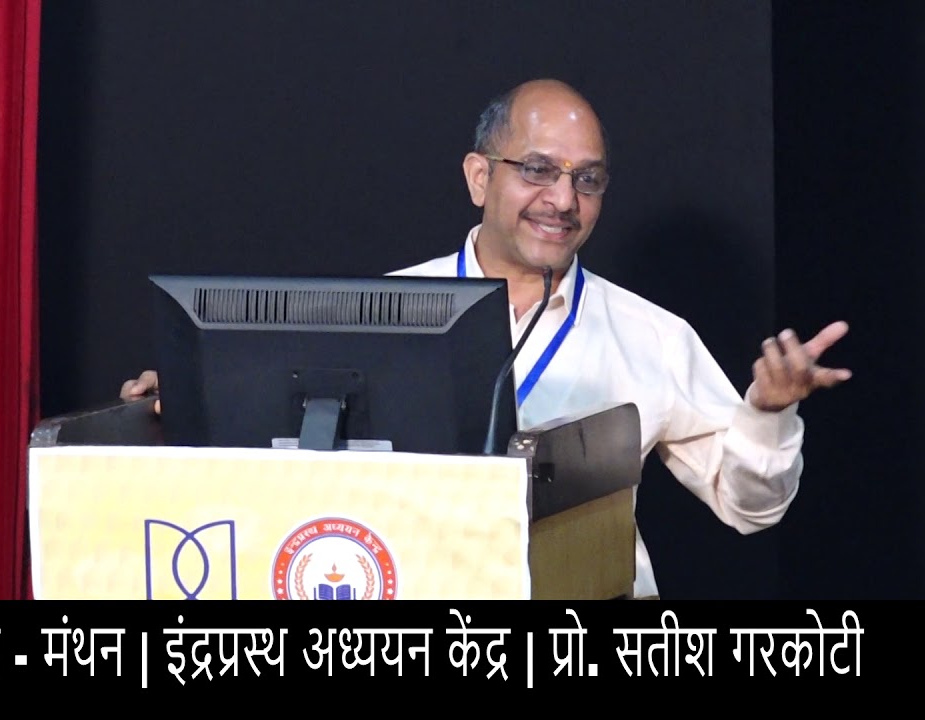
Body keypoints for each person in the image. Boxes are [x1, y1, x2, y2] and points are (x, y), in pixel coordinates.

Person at [118, 78, 851, 599]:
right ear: (479, 177)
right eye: (538, 170)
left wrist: (769, 412)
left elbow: (752, 508)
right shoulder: (382, 312)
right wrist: (185, 402)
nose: (563, 200)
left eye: (587, 180)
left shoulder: (651, 336)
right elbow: (283, 458)